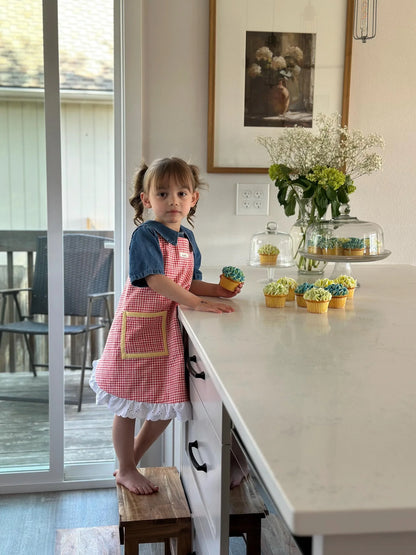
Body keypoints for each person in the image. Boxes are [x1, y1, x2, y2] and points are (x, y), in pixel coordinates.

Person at [90, 157, 243, 495]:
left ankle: (129, 461)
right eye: (162, 193)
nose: (172, 201)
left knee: (166, 402)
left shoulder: (187, 238)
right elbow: (157, 280)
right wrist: (197, 303)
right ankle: (128, 469)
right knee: (126, 403)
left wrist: (217, 291)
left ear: (193, 199)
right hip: (138, 331)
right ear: (147, 200)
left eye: (181, 192)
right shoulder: (144, 235)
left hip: (164, 333)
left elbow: (189, 281)